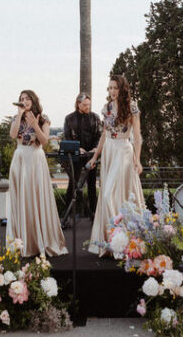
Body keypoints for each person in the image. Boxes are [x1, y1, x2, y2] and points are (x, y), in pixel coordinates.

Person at [87, 74, 144, 255]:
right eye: (110, 88)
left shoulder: (132, 108)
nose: (112, 91)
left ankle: (119, 239)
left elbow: (137, 137)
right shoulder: (107, 108)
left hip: (123, 152)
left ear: (122, 89)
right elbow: (104, 134)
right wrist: (95, 156)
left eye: (115, 88)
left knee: (107, 195)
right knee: (111, 193)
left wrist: (138, 159)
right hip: (109, 153)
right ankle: (113, 242)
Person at [7, 90, 67, 257]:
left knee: (37, 197)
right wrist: (19, 116)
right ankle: (23, 241)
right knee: (22, 198)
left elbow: (45, 141)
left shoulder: (43, 118)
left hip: (35, 159)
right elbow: (13, 135)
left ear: (33, 100)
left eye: (27, 99)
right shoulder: (15, 118)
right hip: (20, 158)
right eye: (21, 99)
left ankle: (40, 240)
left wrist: (34, 124)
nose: (24, 101)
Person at [62, 92, 101, 221]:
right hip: (76, 157)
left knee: (91, 186)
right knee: (72, 185)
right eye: (84, 105)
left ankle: (93, 216)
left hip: (91, 156)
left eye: (89, 105)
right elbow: (67, 137)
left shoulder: (95, 117)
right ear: (78, 104)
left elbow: (99, 136)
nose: (87, 107)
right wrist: (77, 148)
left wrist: (96, 149)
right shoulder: (69, 119)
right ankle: (67, 216)